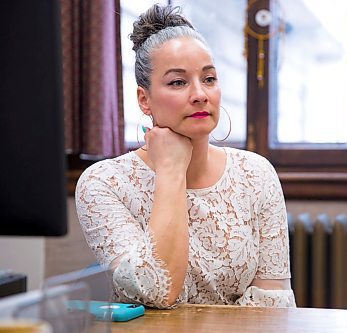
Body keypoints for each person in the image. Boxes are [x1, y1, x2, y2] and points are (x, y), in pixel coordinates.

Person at [75, 4, 296, 309]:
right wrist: (170, 170)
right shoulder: (103, 183)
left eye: (208, 79)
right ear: (144, 99)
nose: (200, 94)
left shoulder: (256, 173)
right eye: (178, 82)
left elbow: (275, 305)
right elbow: (154, 292)